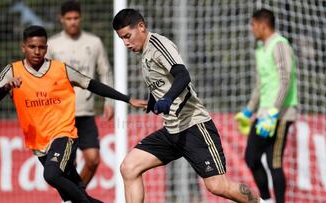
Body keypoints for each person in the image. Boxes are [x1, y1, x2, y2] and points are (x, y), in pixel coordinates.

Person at [112, 8, 266, 203]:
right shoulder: (144, 53)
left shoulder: (159, 45)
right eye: (122, 39)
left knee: (218, 186)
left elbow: (182, 75)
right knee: (129, 167)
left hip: (194, 126)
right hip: (172, 131)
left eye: (127, 36)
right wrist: (153, 100)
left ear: (141, 27)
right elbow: (162, 81)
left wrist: (167, 99)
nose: (126, 43)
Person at [0, 25, 146, 203]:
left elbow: (91, 84)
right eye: (32, 47)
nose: (37, 51)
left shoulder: (60, 69)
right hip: (39, 144)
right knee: (74, 195)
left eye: (41, 47)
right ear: (23, 47)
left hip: (64, 135)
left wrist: (127, 99)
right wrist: (7, 86)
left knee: (52, 175)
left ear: (46, 48)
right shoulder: (12, 71)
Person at [46, 1, 114, 188]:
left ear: (80, 18)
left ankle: (75, 196)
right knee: (68, 164)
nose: (73, 22)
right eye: (69, 19)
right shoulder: (52, 45)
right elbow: (43, 77)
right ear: (62, 20)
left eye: (76, 18)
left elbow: (105, 71)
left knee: (93, 160)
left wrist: (110, 101)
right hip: (61, 114)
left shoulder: (94, 42)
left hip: (86, 113)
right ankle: (75, 197)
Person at [235, 9, 298, 203]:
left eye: (253, 25)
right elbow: (260, 85)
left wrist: (274, 113)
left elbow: (285, 80)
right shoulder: (260, 50)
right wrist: (249, 109)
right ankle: (266, 199)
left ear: (263, 25)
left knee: (274, 163)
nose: (252, 29)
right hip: (264, 115)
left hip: (280, 115)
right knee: (251, 157)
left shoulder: (279, 45)